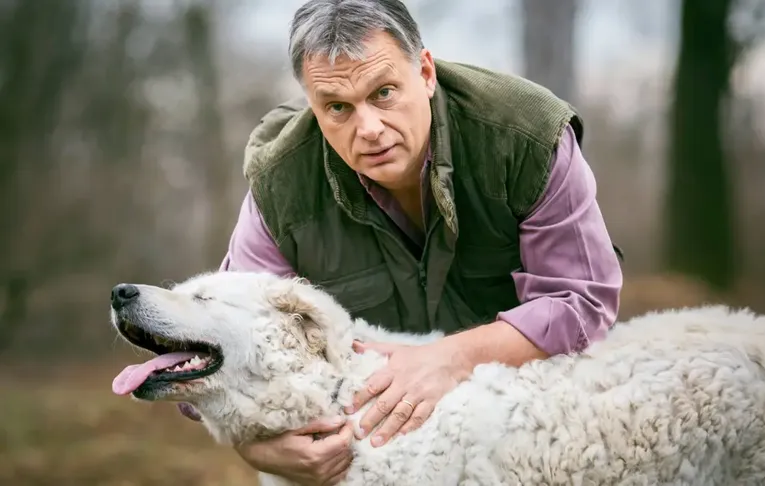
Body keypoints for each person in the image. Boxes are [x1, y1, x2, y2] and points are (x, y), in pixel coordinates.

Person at [180, 0, 624, 484]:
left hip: (526, 429)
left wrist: (452, 358)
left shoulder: (525, 136)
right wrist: (256, 447)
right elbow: (223, 336)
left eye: (384, 92)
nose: (369, 129)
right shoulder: (281, 181)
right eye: (337, 107)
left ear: (426, 72)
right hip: (383, 457)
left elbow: (582, 302)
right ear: (312, 104)